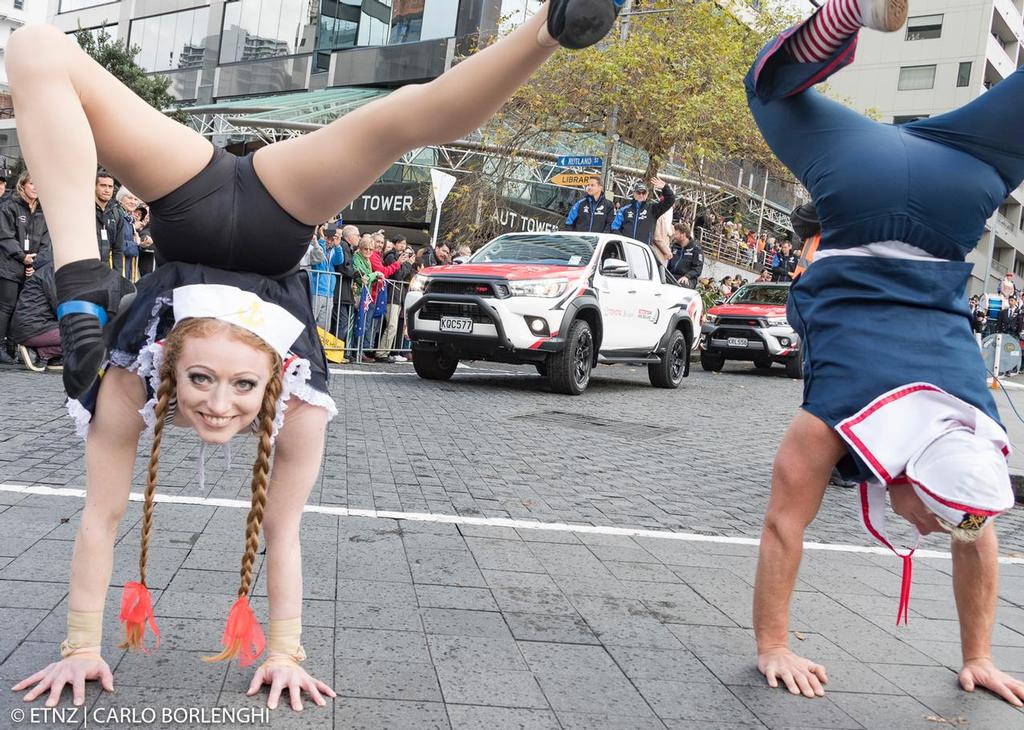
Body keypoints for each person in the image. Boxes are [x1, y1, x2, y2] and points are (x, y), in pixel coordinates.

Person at [6, 0, 622, 711]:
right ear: (164, 368)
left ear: (278, 374)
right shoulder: (132, 383)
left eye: (240, 386)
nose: (216, 404)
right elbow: (100, 516)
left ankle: (552, 24)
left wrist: (287, 654)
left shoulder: (289, 403)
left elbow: (284, 528)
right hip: (268, 212)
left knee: (403, 117)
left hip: (196, 199)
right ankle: (80, 287)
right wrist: (80, 649)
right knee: (37, 47)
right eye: (202, 381)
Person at [745, 0, 1024, 707]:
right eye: (936, 517)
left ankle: (850, 11)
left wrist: (981, 659)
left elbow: (975, 525)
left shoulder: (974, 423)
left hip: (949, 178)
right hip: (897, 188)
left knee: (771, 88)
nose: (933, 526)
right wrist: (772, 647)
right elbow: (783, 522)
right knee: (766, 89)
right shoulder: (833, 422)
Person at [0, 171, 51, 364]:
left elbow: (46, 242)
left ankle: (16, 347)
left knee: (23, 309)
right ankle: (1, 347)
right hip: (9, 264)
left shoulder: (42, 211)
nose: (36, 187)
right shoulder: (8, 207)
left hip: (31, 267)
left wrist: (34, 263)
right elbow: (5, 237)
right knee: (6, 307)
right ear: (22, 185)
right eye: (32, 183)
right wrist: (23, 258)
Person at [11, 260, 61, 370]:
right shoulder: (52, 271)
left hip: (31, 326)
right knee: (83, 335)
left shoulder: (51, 269)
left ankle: (43, 352)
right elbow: (58, 306)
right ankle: (42, 352)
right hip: (33, 327)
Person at [609, 177, 675, 257]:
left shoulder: (652, 209)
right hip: (625, 251)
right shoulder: (624, 210)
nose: (641, 195)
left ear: (647, 194)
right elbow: (614, 228)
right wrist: (623, 242)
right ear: (634, 193)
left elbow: (670, 200)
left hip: (644, 252)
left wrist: (665, 187)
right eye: (638, 192)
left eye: (643, 193)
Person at [94, 170, 124, 274]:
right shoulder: (85, 210)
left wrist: (117, 277)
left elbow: (118, 249)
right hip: (85, 270)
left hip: (106, 270)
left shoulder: (117, 213)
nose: (107, 190)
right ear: (94, 186)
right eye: (103, 185)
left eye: (110, 187)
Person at [667, 223, 703, 288]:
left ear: (683, 235)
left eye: (676, 234)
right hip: (671, 275)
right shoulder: (674, 246)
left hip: (688, 279)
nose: (674, 236)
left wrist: (687, 276)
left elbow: (698, 269)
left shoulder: (696, 248)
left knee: (682, 284)